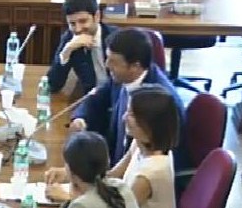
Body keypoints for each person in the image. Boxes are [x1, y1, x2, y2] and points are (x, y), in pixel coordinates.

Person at [47, 84, 181, 208]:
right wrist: (73, 173)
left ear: (148, 125)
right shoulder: (139, 144)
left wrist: (69, 198)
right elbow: (111, 176)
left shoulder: (150, 173)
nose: (124, 117)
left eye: (131, 115)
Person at [67, 27, 189, 169]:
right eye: (107, 58)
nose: (107, 65)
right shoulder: (121, 77)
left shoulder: (161, 103)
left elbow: (159, 160)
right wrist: (80, 118)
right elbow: (95, 98)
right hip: (114, 164)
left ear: (135, 66)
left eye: (113, 62)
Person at [45, 0, 119, 96]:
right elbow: (52, 86)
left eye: (83, 21)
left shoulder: (116, 37)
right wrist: (67, 51)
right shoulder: (70, 39)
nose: (78, 29)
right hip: (92, 99)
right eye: (72, 23)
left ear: (97, 16)